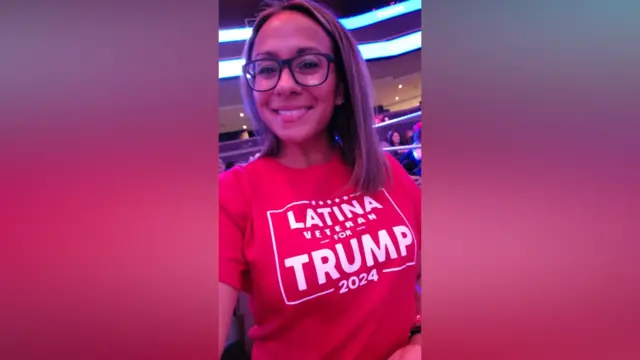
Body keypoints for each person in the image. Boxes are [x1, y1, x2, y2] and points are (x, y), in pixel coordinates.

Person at [218, 1, 421, 359]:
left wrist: (421, 342)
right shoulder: (232, 195)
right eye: (266, 69)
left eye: (308, 64)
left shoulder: (388, 174)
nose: (284, 85)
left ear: (342, 87)